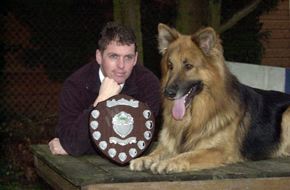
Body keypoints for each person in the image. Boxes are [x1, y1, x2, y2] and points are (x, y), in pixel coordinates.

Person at [48, 22, 161, 156]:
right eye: (114, 56)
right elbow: (72, 141)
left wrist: (80, 147)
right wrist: (100, 102)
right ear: (99, 57)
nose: (121, 65)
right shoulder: (76, 85)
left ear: (135, 59)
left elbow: (138, 143)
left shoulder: (148, 84)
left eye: (128, 57)